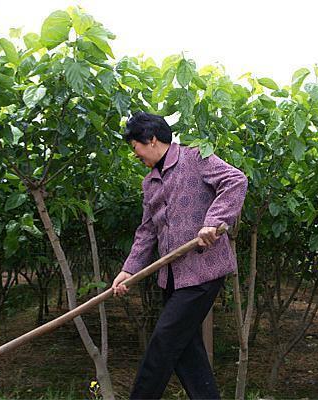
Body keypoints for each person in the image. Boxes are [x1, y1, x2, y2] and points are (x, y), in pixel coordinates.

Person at [112, 112, 247, 399]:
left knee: (164, 342)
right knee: (186, 351)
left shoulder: (195, 159)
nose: (134, 153)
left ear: (150, 139)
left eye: (134, 145)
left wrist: (214, 220)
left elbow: (235, 180)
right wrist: (129, 270)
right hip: (172, 277)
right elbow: (147, 230)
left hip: (202, 271)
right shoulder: (149, 183)